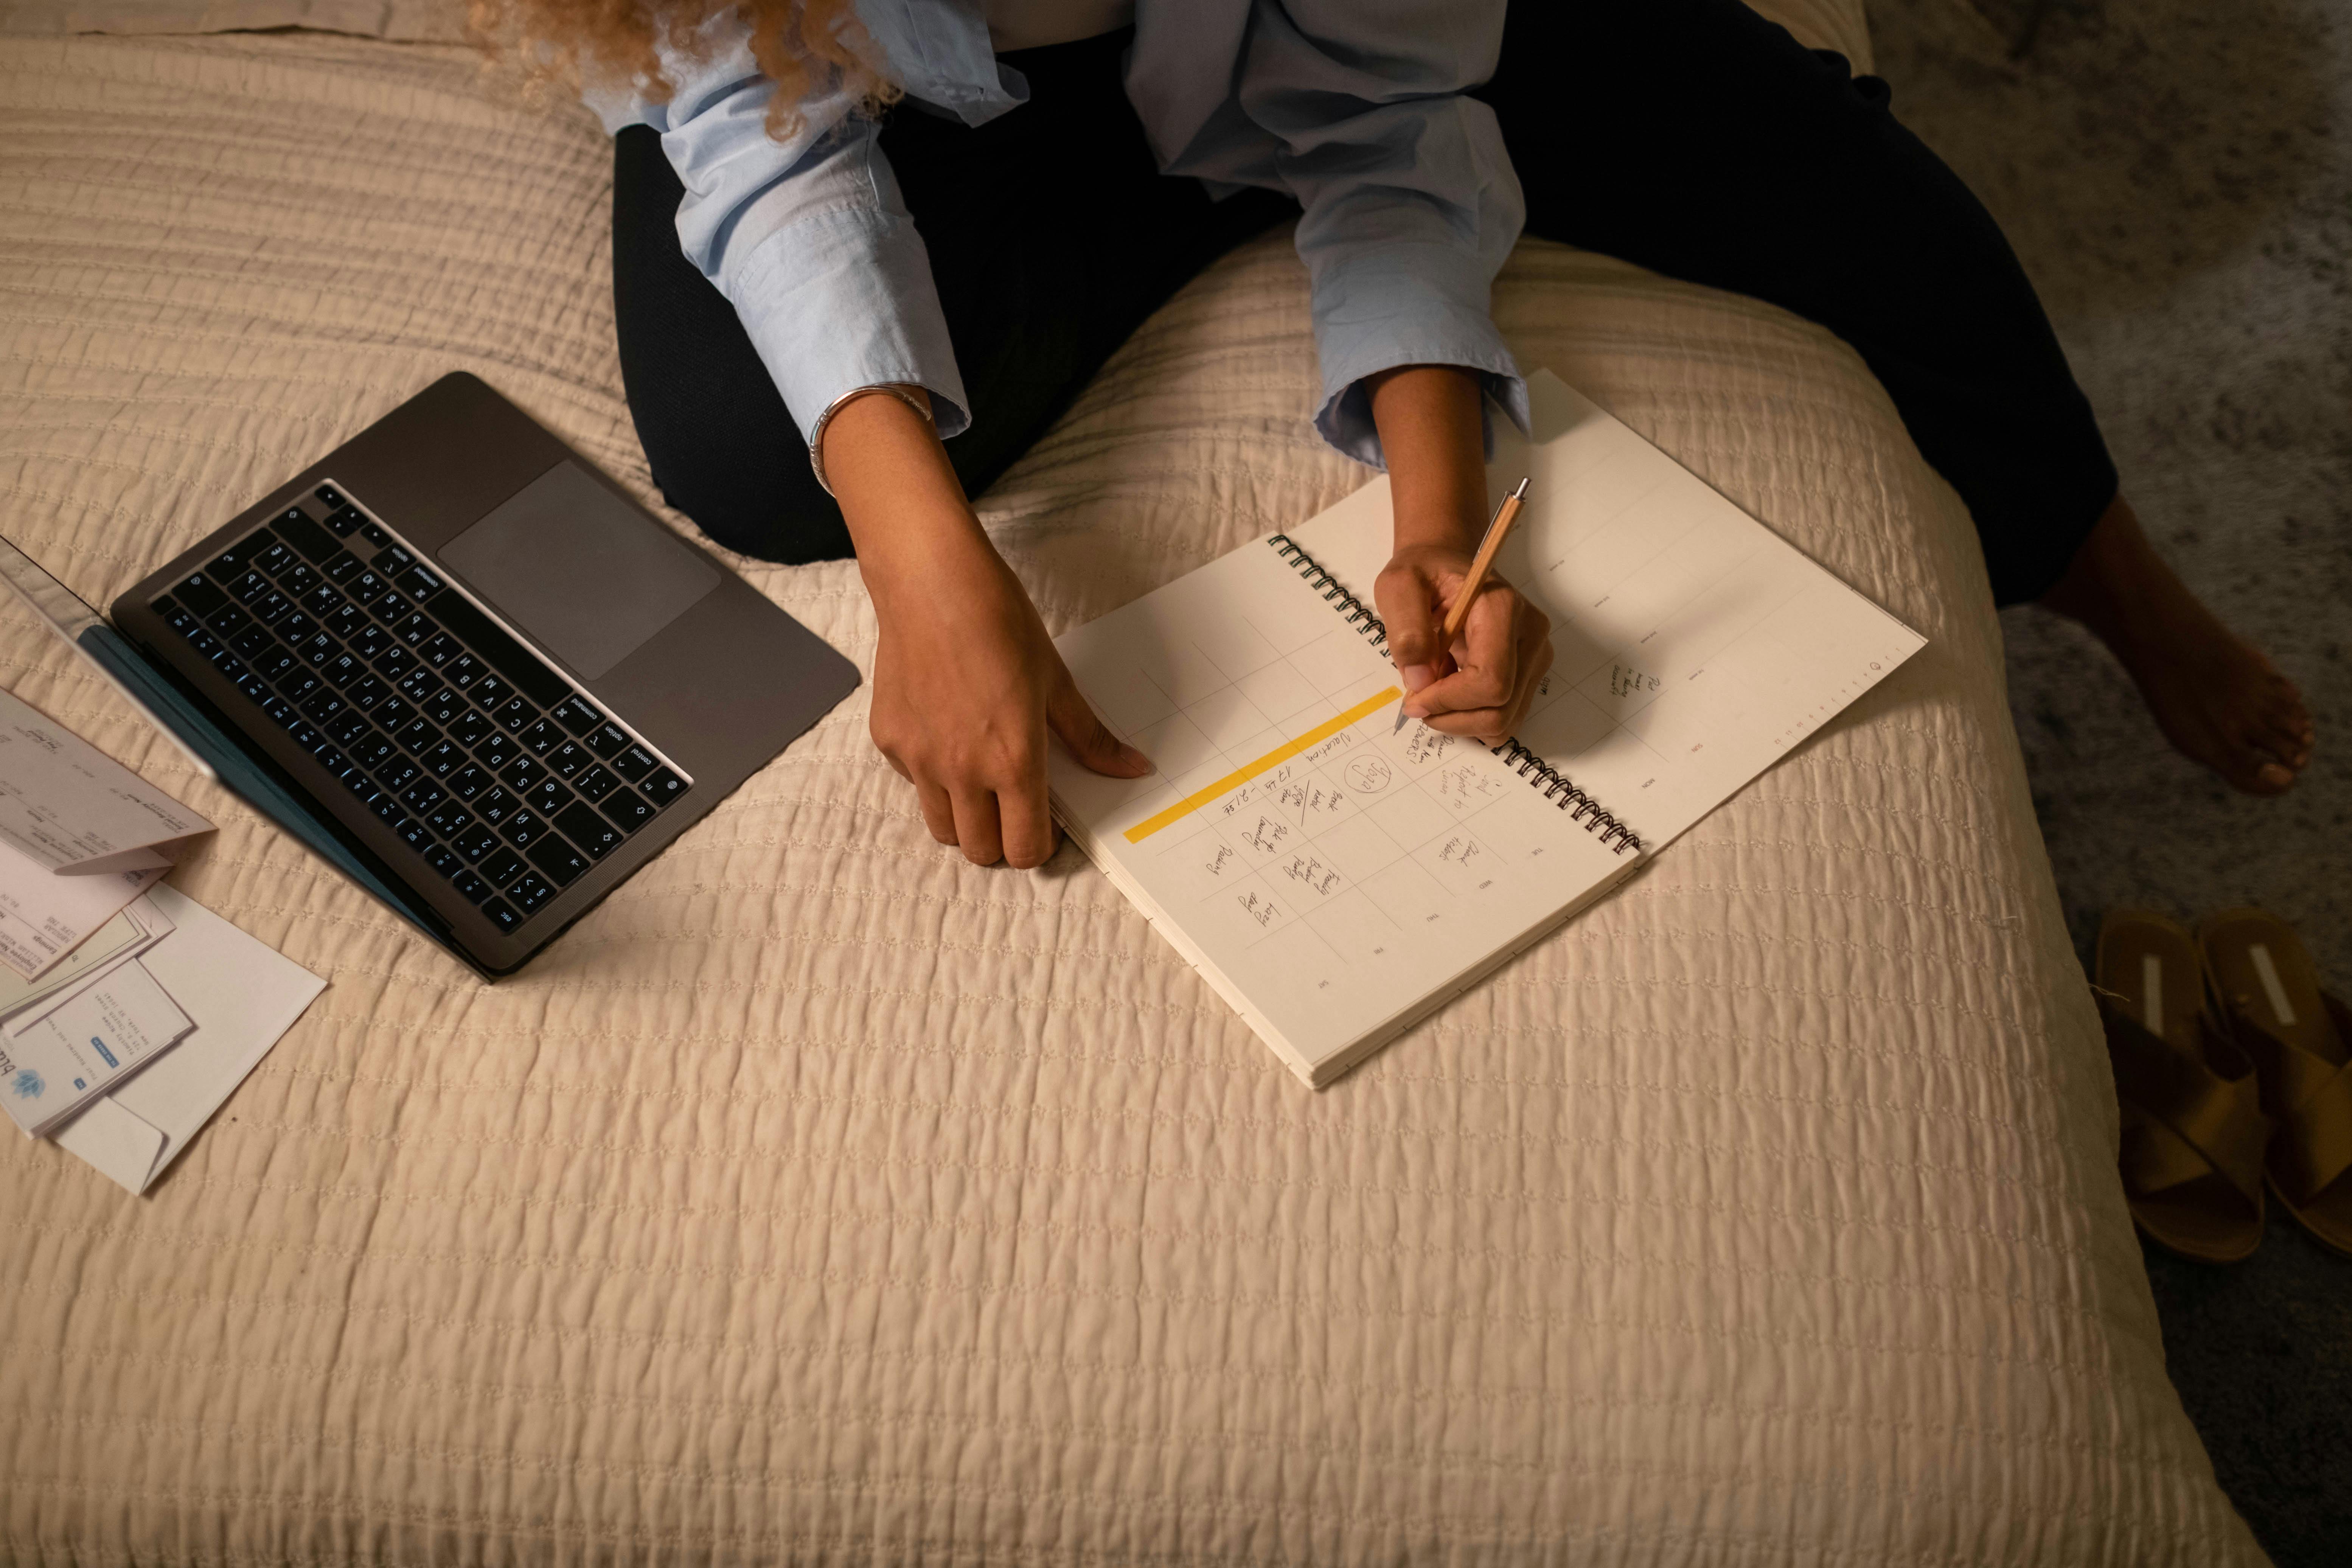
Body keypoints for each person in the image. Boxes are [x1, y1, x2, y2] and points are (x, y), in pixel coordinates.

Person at [478, 0, 2315, 869]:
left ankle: (2107, 571)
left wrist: (1436, 506)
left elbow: (1384, 112)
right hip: (906, 90)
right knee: (752, 450)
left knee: (1841, 185)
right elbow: (759, 134)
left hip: (1331, 24)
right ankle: (1190, 189)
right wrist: (927, 553)